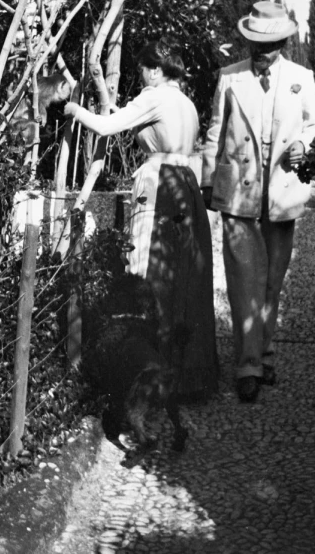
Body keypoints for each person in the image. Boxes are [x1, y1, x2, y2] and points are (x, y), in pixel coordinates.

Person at [64, 39, 219, 402]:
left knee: (147, 275)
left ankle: (145, 375)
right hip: (186, 185)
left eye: (142, 71)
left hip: (159, 185)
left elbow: (105, 127)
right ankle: (187, 378)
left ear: (153, 69)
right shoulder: (186, 103)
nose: (141, 78)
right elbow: (133, 122)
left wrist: (74, 109)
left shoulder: (154, 96)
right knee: (185, 279)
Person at [201, 1, 315, 402]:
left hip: (281, 190)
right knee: (242, 282)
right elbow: (214, 132)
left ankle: (265, 355)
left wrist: (304, 145)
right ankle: (247, 365)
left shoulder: (301, 78)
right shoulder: (229, 78)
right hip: (239, 190)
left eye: (270, 44)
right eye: (255, 43)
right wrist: (208, 181)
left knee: (273, 280)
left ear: (284, 42)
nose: (261, 51)